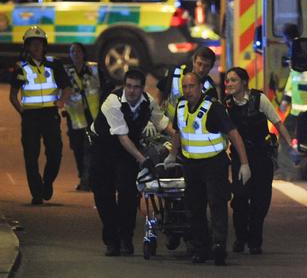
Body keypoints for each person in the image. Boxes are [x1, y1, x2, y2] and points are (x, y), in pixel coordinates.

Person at [165, 71, 251, 266]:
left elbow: (234, 134)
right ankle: (201, 248)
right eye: (185, 87)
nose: (188, 91)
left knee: (217, 204)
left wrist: (244, 163)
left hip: (214, 164)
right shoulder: (180, 107)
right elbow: (178, 132)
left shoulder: (213, 107)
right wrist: (173, 153)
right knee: (194, 207)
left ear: (199, 86)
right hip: (191, 164)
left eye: (191, 86)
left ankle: (219, 246)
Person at [89, 69, 176, 257]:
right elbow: (122, 137)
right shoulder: (113, 102)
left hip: (127, 150)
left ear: (142, 88)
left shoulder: (147, 102)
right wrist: (143, 160)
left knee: (128, 194)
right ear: (124, 85)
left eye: (136, 87)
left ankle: (126, 239)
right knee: (104, 196)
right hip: (103, 148)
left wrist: (177, 142)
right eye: (128, 86)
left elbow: (163, 123)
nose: (131, 91)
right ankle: (112, 240)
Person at [223, 67, 295, 254]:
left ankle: (255, 241)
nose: (229, 84)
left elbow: (278, 123)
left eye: (233, 80)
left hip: (261, 156)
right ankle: (240, 237)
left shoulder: (259, 99)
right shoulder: (227, 105)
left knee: (260, 200)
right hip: (240, 157)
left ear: (244, 83)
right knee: (239, 199)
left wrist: (291, 145)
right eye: (227, 80)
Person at [9, 26, 72, 205]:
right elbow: (12, 95)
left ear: (45, 46)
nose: (36, 47)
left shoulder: (54, 64)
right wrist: (22, 111)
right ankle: (37, 192)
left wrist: (62, 101)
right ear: (27, 47)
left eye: (39, 43)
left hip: (50, 115)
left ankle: (47, 182)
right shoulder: (20, 67)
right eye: (32, 44)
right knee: (31, 155)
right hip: (30, 117)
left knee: (55, 152)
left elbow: (67, 87)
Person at [63, 43, 102, 191]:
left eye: (78, 50)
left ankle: (88, 180)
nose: (76, 54)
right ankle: (83, 176)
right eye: (72, 51)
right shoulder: (66, 72)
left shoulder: (94, 69)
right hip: (75, 117)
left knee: (90, 149)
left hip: (92, 116)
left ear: (84, 53)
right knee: (77, 148)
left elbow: (103, 88)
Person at [157, 46, 219, 121]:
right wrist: (158, 114)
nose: (201, 69)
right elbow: (160, 90)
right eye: (199, 64)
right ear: (193, 61)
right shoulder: (175, 73)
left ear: (211, 67)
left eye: (206, 66)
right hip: (166, 125)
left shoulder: (210, 89)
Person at [280, 24, 307, 167]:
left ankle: (290, 169)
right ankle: (297, 165)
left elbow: (295, 77)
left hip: (302, 109)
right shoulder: (299, 49)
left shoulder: (298, 51)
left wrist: (286, 99)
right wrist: (286, 98)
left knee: (286, 135)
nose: (284, 41)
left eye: (285, 38)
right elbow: (294, 78)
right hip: (299, 108)